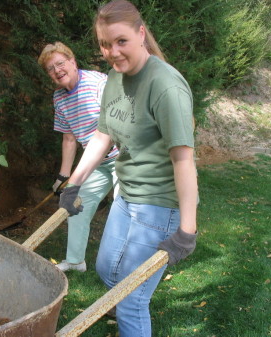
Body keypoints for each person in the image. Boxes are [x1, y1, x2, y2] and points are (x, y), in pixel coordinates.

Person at [58, 0, 198, 336]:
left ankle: (130, 319)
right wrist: (74, 183)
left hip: (159, 205)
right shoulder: (115, 79)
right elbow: (103, 135)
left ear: (140, 33)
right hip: (126, 196)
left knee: (131, 297)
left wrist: (187, 230)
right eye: (105, 44)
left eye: (121, 41)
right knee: (108, 271)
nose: (113, 52)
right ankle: (127, 316)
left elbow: (184, 160)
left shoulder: (166, 86)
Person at [38, 42, 119, 272]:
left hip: (124, 157)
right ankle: (75, 262)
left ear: (73, 62)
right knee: (77, 205)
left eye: (60, 63)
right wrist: (63, 177)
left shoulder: (98, 83)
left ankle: (129, 264)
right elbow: (69, 139)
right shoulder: (60, 98)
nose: (57, 70)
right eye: (50, 68)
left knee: (127, 209)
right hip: (97, 164)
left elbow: (112, 131)